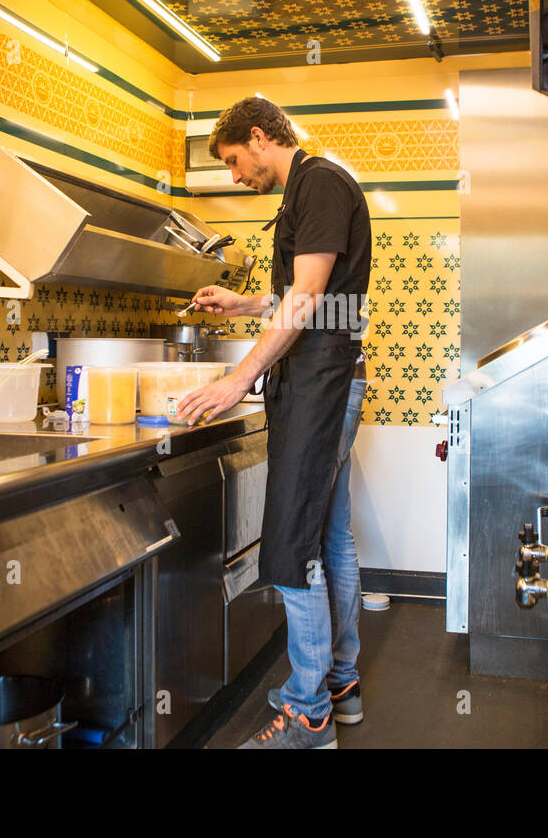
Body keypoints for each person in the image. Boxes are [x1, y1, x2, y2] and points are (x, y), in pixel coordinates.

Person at [176, 96, 371, 749]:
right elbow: (305, 291)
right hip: (329, 385)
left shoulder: (318, 182)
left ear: (258, 137)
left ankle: (307, 713)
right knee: (330, 537)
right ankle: (337, 680)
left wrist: (236, 379)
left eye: (234, 161)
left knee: (290, 548)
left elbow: (311, 300)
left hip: (320, 387)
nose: (235, 176)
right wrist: (242, 303)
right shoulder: (311, 189)